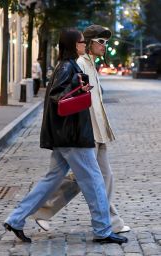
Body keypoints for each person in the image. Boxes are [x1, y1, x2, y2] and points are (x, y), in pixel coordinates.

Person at [3, 28, 128, 244]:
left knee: (51, 180)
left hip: (67, 136)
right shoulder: (69, 66)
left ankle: (15, 219)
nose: (83, 45)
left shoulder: (68, 65)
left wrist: (80, 88)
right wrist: (79, 91)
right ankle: (103, 230)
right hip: (74, 136)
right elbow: (58, 97)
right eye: (80, 42)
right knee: (95, 181)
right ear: (73, 45)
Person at [34, 25, 130, 234]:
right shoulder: (79, 64)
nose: (105, 46)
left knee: (103, 177)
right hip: (86, 132)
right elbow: (69, 99)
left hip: (98, 131)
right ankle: (42, 210)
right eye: (101, 42)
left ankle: (110, 220)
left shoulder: (90, 65)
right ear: (88, 43)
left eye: (106, 42)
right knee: (83, 178)